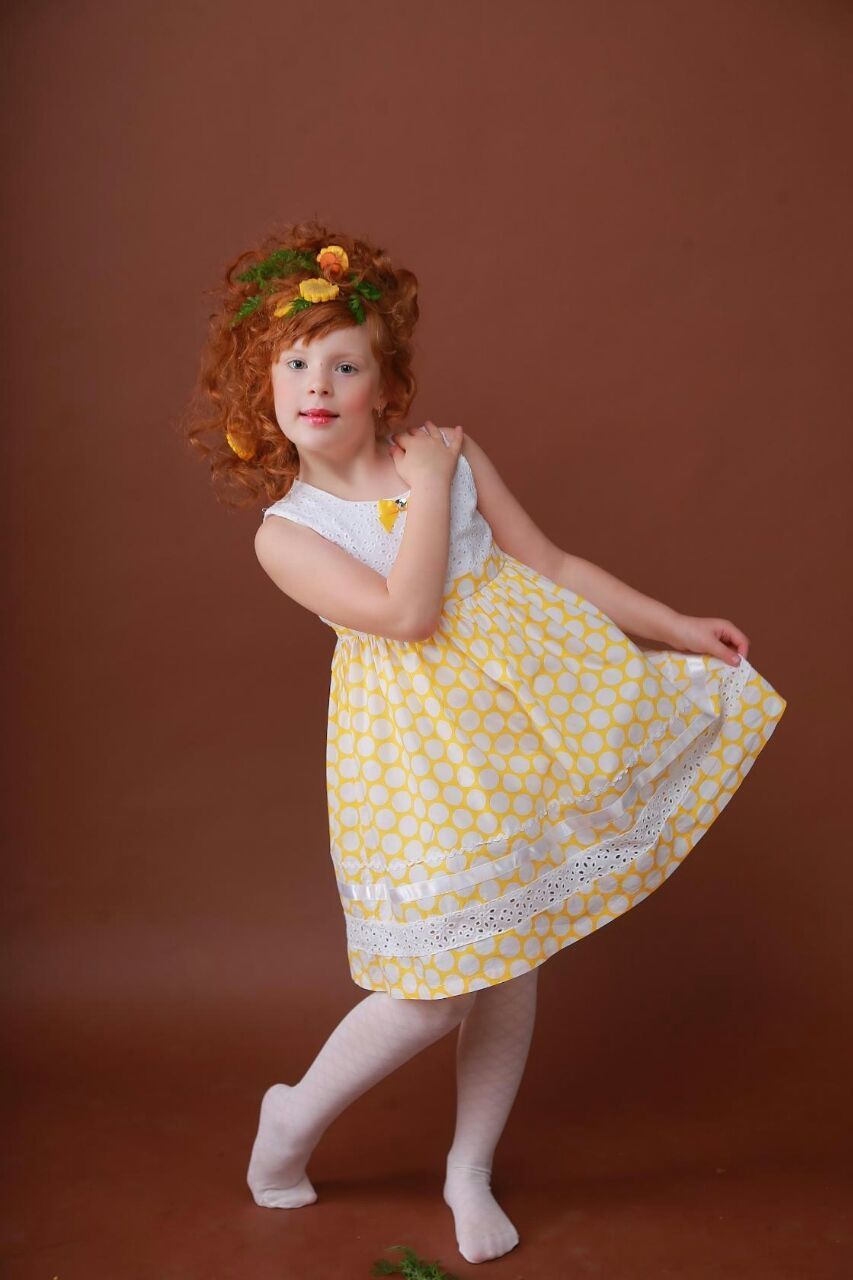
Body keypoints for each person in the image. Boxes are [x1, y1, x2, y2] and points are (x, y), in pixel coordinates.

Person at [181, 219, 787, 1266]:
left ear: (384, 382)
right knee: (437, 982)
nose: (315, 383)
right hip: (418, 759)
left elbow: (548, 558)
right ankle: (291, 1116)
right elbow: (409, 612)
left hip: (520, 725)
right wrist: (422, 493)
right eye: (292, 363)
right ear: (262, 385)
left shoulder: (450, 455)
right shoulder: (287, 533)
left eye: (344, 362)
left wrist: (670, 623)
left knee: (514, 949)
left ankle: (470, 1164)